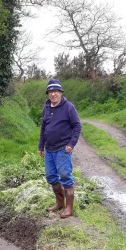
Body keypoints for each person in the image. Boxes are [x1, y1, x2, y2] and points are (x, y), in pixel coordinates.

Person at [38, 79, 81, 218]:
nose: (53, 94)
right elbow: (43, 128)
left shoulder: (68, 107)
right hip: (49, 149)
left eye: (56, 91)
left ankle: (69, 208)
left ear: (61, 92)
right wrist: (41, 146)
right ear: (48, 94)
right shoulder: (46, 108)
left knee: (65, 176)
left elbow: (77, 126)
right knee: (51, 176)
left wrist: (71, 144)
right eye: (50, 92)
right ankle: (60, 203)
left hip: (63, 149)